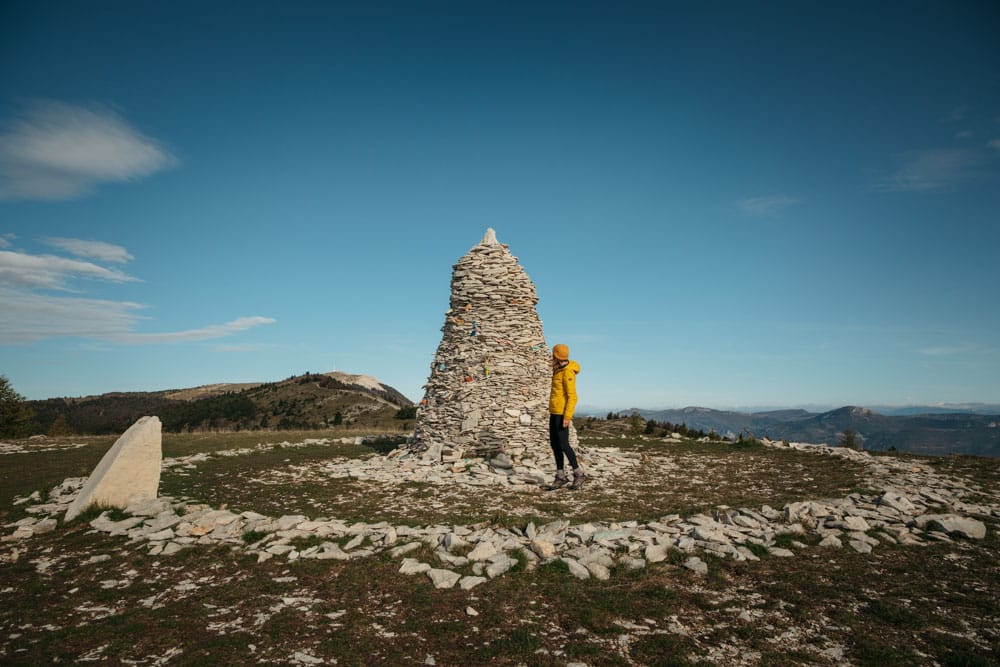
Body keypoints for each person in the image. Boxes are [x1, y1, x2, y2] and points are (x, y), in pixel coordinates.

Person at [548, 343, 585, 489]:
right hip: (554, 412)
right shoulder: (558, 369)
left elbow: (572, 396)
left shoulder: (567, 372)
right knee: (555, 444)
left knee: (564, 444)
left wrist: (567, 416)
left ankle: (579, 474)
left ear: (556, 356)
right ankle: (561, 476)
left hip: (562, 414)